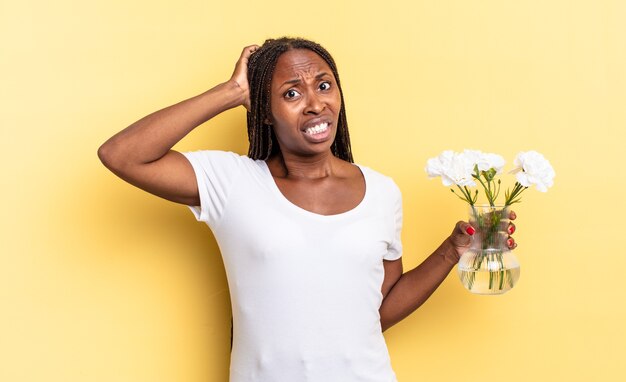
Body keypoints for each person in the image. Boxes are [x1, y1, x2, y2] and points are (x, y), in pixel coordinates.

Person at [98, 37, 516, 382]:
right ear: (263, 111)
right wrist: (232, 92)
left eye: (324, 85)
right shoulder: (232, 182)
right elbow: (122, 155)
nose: (315, 104)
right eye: (291, 93)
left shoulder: (382, 192)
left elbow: (376, 311)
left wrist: (452, 250)